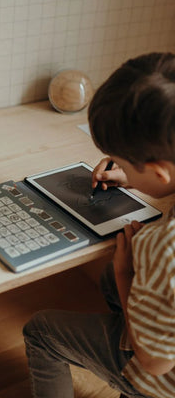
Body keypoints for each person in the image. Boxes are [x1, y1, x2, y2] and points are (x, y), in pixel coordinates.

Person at [23, 52, 175, 398]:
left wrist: (126, 274)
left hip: (163, 379)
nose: (115, 165)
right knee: (107, 280)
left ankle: (131, 385)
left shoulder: (162, 246)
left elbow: (155, 362)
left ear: (158, 170)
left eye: (121, 161)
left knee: (41, 330)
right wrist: (134, 177)